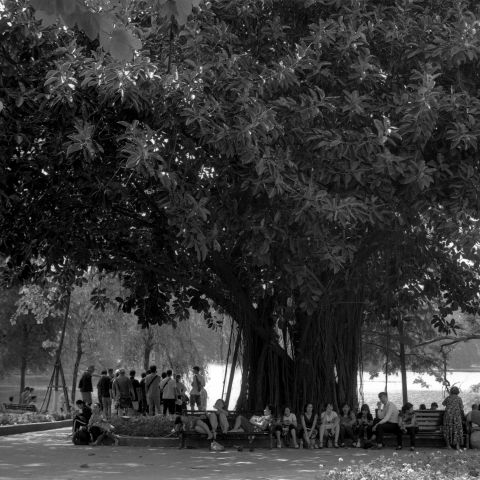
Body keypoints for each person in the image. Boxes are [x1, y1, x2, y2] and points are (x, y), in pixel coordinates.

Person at [442, 386, 464, 450]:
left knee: (448, 429)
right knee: (457, 429)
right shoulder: (459, 398)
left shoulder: (448, 398)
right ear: (457, 392)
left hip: (448, 416)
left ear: (451, 391)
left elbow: (443, 404)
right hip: (456, 417)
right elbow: (461, 407)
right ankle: (457, 445)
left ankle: (448, 445)